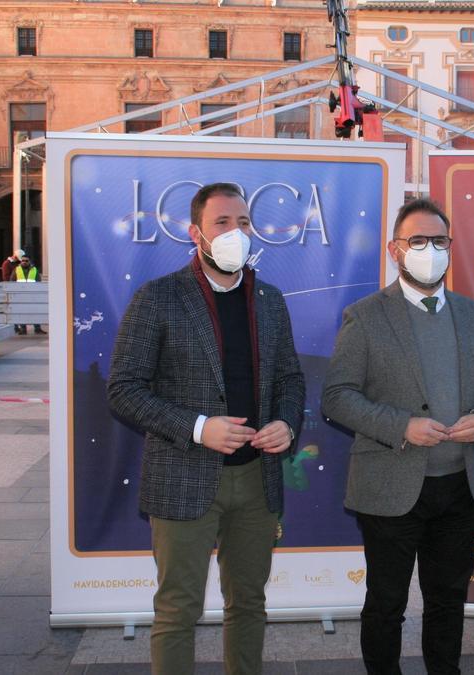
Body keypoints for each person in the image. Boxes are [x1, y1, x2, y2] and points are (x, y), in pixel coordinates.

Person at [107, 182, 305, 675]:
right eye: (222, 223)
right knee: (178, 609)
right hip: (183, 477)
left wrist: (285, 421)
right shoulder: (158, 298)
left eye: (243, 223)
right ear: (196, 233)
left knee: (249, 605)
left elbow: (290, 379)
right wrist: (198, 428)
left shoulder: (270, 300)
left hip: (258, 480)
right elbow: (124, 389)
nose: (235, 232)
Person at [322, 198, 474, 675]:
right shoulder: (365, 316)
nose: (431, 250)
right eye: (418, 241)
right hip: (391, 488)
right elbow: (337, 396)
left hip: (457, 488)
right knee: (386, 604)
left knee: (448, 602)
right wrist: (400, 425)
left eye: (440, 241)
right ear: (395, 249)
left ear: (452, 247)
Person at [11, 255, 45, 334]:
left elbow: (38, 281)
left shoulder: (34, 270)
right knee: (22, 312)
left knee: (35, 311)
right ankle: (23, 329)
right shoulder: (17, 270)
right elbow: (12, 281)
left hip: (32, 294)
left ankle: (37, 328)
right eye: (23, 260)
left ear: (29, 261)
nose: (24, 262)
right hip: (20, 295)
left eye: (26, 261)